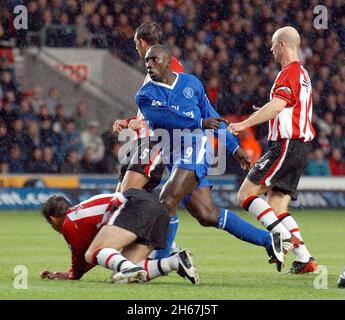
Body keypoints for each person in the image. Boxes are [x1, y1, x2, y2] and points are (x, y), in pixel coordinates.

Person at [136, 45, 285, 271]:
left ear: (168, 61)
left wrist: (235, 148)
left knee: (166, 201)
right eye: (147, 61)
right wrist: (198, 122)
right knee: (206, 214)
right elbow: (166, 117)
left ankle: (159, 263)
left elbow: (211, 117)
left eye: (154, 60)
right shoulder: (145, 95)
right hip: (173, 156)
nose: (149, 64)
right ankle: (268, 240)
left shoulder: (191, 84)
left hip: (195, 147)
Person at [228, 26, 318, 274]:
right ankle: (305, 259)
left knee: (245, 195)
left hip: (286, 145)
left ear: (281, 45)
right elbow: (284, 107)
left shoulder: (288, 73)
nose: (269, 49)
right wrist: (265, 111)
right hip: (299, 147)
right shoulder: (303, 74)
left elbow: (278, 106)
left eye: (272, 44)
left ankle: (282, 238)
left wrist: (243, 123)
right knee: (277, 207)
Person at [113, 22, 184, 260]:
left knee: (129, 194)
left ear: (142, 43)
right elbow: (151, 109)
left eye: (136, 44)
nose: (136, 49)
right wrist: (131, 120)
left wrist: (140, 124)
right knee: (121, 197)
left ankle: (161, 240)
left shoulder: (169, 68)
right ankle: (156, 244)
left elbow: (172, 109)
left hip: (156, 141)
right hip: (144, 140)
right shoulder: (155, 67)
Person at [39, 189, 199, 284]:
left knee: (92, 254)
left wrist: (72, 274)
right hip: (159, 211)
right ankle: (174, 262)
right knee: (125, 273)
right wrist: (72, 273)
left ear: (53, 219)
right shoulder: (81, 215)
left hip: (138, 207)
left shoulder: (69, 222)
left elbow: (83, 254)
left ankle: (129, 268)